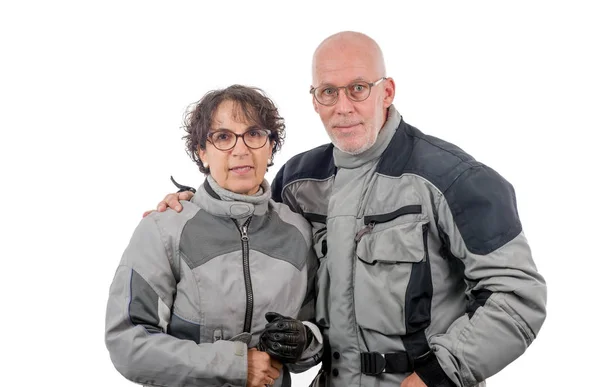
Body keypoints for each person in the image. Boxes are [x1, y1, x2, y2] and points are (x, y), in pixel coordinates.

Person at [152, 32, 547, 387]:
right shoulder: (298, 181)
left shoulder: (454, 179)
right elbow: (245, 229)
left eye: (358, 88)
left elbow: (517, 297)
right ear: (314, 100)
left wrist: (438, 375)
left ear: (387, 92)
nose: (343, 107)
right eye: (328, 91)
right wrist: (192, 205)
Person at [105, 85, 323, 387]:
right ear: (201, 152)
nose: (240, 149)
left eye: (255, 134)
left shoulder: (298, 232)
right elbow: (128, 343)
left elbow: (321, 329)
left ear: (271, 146)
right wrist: (235, 366)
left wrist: (304, 340)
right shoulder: (163, 230)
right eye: (222, 137)